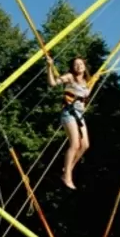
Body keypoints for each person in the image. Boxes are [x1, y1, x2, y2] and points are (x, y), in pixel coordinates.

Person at [46, 55, 91, 190]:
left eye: (81, 64)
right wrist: (49, 66)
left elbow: (85, 96)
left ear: (84, 66)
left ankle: (68, 168)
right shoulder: (69, 77)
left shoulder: (86, 82)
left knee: (85, 145)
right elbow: (53, 83)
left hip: (79, 115)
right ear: (73, 67)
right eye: (76, 64)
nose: (79, 66)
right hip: (68, 113)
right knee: (75, 144)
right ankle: (67, 176)